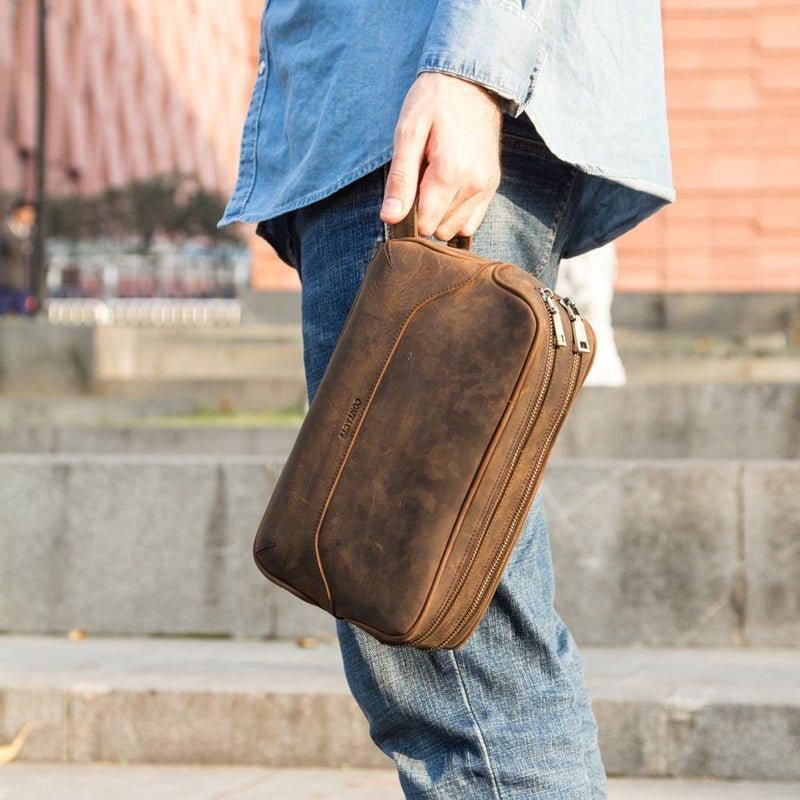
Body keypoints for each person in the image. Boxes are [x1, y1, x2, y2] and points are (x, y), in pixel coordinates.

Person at [220, 3, 673, 798]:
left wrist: (472, 71)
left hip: (423, 109)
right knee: (445, 644)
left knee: (454, 668)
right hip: (381, 113)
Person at [0, 201, 37, 316]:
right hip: (4, 286)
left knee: (23, 321)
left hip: (23, 287)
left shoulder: (31, 234)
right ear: (18, 212)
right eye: (28, 212)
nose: (31, 216)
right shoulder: (4, 230)